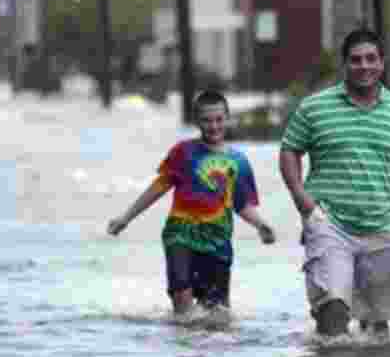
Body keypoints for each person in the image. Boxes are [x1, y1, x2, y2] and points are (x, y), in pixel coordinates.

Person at [279, 28, 390, 337]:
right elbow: (289, 150)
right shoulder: (314, 108)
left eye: (371, 59)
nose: (364, 66)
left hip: (385, 227)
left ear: (382, 63)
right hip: (329, 223)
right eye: (356, 60)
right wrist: (303, 202)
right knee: (333, 311)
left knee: (377, 330)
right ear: (345, 65)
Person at [107, 89, 276, 314]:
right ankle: (182, 346)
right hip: (181, 235)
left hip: (218, 242)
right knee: (183, 305)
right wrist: (126, 217)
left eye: (218, 120)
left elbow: (241, 204)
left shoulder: (238, 161)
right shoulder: (183, 152)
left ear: (227, 119)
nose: (213, 126)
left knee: (217, 316)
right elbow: (159, 186)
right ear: (197, 121)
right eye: (207, 120)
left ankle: (204, 346)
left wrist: (260, 225)